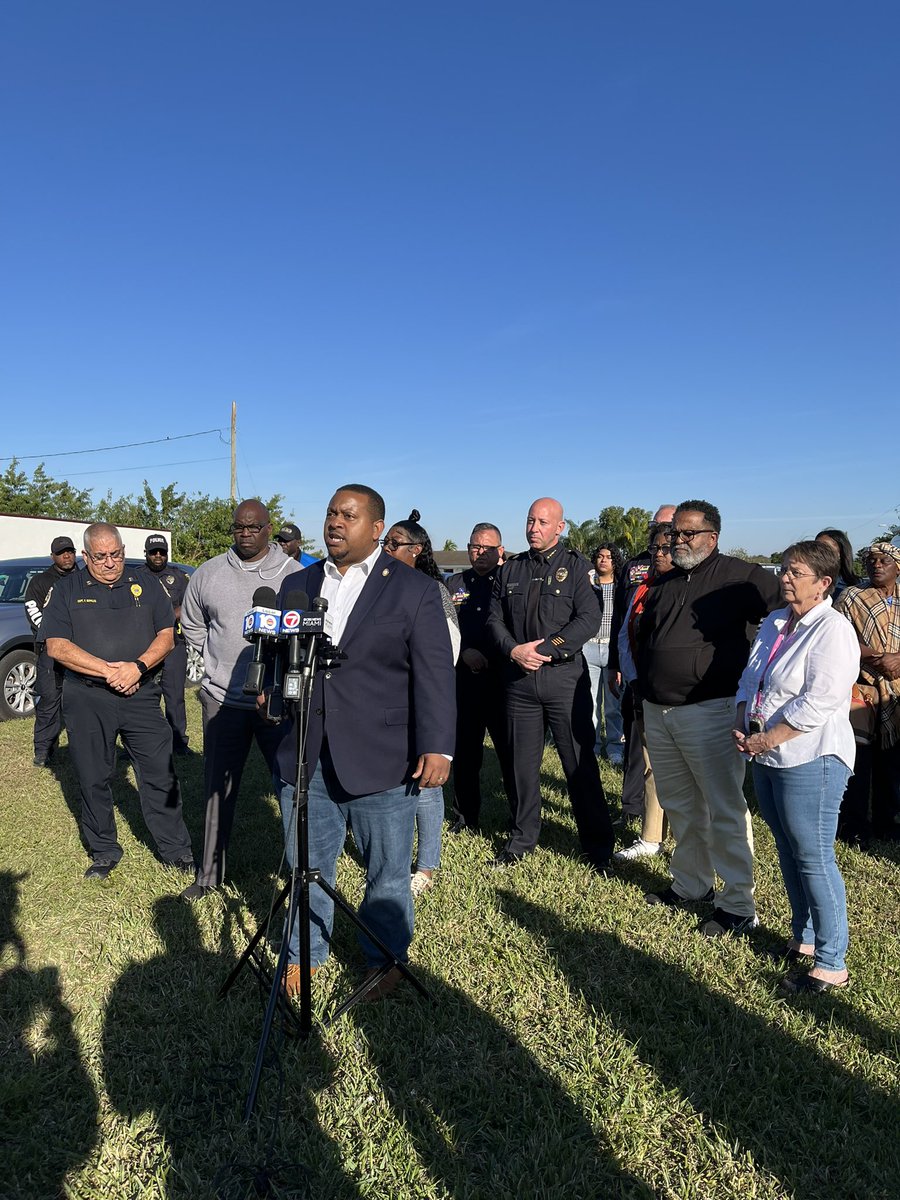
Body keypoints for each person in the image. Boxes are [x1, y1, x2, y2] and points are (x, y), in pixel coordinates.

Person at [273, 484, 456, 999]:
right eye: (331, 512)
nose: (335, 522)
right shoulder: (299, 583)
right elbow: (280, 656)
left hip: (382, 755)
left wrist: (439, 745)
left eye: (348, 515)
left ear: (377, 528)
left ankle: (385, 962)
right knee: (306, 868)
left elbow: (435, 675)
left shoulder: (413, 590)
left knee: (387, 872)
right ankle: (303, 955)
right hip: (307, 752)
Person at [635, 500, 781, 936]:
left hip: (711, 711)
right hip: (659, 711)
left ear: (711, 537)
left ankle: (737, 904)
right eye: (673, 534)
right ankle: (690, 884)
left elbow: (788, 614)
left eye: (686, 534)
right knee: (680, 806)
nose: (677, 541)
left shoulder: (741, 575)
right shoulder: (665, 581)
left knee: (724, 809)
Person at [734, 541, 859, 992]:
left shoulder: (832, 630)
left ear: (824, 583)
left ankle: (831, 962)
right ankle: (804, 939)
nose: (785, 578)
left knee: (813, 855)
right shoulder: (774, 621)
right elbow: (752, 677)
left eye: (796, 573)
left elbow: (820, 700)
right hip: (767, 753)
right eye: (785, 570)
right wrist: (742, 719)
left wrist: (769, 735)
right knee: (787, 849)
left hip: (811, 757)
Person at [40, 523, 194, 880]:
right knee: (94, 775)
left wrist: (137, 668)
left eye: (117, 554)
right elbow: (56, 646)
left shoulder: (148, 585)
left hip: (140, 694)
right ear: (85, 556)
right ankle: (104, 850)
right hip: (87, 697)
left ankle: (176, 850)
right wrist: (108, 670)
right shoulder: (66, 589)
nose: (110, 562)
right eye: (101, 556)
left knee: (159, 772)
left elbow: (166, 635)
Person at [179, 500, 302, 900]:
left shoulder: (295, 574)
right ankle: (209, 875)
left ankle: (300, 869)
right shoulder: (209, 572)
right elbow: (193, 622)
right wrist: (214, 662)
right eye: (239, 527)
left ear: (269, 529)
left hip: (276, 701)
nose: (246, 533)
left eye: (254, 527)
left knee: (291, 786)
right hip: (222, 701)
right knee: (217, 788)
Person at [486, 496, 614, 871]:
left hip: (562, 678)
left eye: (543, 522)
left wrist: (542, 649)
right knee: (520, 767)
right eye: (530, 521)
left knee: (579, 764)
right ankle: (522, 839)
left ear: (560, 527)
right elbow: (494, 620)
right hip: (520, 681)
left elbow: (590, 618)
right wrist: (513, 651)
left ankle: (598, 848)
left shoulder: (576, 568)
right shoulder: (510, 570)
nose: (533, 528)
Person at [382, 510, 459, 897]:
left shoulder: (433, 591)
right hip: (385, 702)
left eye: (395, 544)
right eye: (385, 544)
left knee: (427, 784)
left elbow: (448, 652)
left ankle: (426, 864)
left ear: (418, 550)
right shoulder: (377, 586)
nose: (388, 550)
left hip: (422, 699)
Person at [446, 523, 517, 834]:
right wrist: (463, 654)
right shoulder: (454, 584)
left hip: (503, 682)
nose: (479, 553)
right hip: (465, 682)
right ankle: (466, 817)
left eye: (487, 548)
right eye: (475, 547)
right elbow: (443, 629)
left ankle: (518, 817)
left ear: (500, 550)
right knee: (465, 755)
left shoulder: (510, 582)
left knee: (510, 754)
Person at [608, 505, 676, 821]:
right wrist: (615, 665)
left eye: (668, 528)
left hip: (672, 682)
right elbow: (620, 620)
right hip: (634, 673)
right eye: (656, 527)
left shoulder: (689, 572)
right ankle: (632, 808)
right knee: (635, 742)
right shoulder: (635, 566)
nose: (659, 534)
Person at [835, 541, 900, 841]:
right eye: (870, 559)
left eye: (883, 559)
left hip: (897, 689)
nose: (876, 564)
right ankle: (854, 826)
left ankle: (887, 822)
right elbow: (837, 635)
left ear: (897, 566)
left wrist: (897, 659)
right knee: (858, 761)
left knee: (892, 761)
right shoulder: (852, 597)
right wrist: (877, 657)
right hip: (860, 687)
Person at [24, 535, 77, 766]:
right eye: (61, 552)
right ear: (52, 556)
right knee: (48, 700)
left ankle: (82, 748)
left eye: (70, 551)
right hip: (50, 651)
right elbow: (32, 610)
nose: (67, 556)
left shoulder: (83, 579)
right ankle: (44, 750)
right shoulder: (40, 581)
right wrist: (55, 635)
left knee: (82, 702)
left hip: (81, 651)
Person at [141, 535, 191, 754]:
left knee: (174, 695)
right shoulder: (135, 577)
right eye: (153, 552)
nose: (158, 555)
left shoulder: (179, 577)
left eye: (161, 551)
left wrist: (167, 616)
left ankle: (179, 742)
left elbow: (191, 605)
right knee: (142, 696)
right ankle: (141, 741)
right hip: (143, 645)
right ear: (146, 554)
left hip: (174, 643)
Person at [584, 543, 626, 763]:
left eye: (608, 557)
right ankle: (592, 745)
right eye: (599, 556)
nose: (603, 560)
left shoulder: (621, 586)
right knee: (590, 703)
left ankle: (615, 747)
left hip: (612, 649)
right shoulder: (587, 585)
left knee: (612, 704)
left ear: (614, 561)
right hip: (589, 647)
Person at [815, 528, 860, 601]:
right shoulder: (805, 582)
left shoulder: (855, 587)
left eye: (826, 549)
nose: (819, 553)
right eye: (815, 548)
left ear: (840, 553)